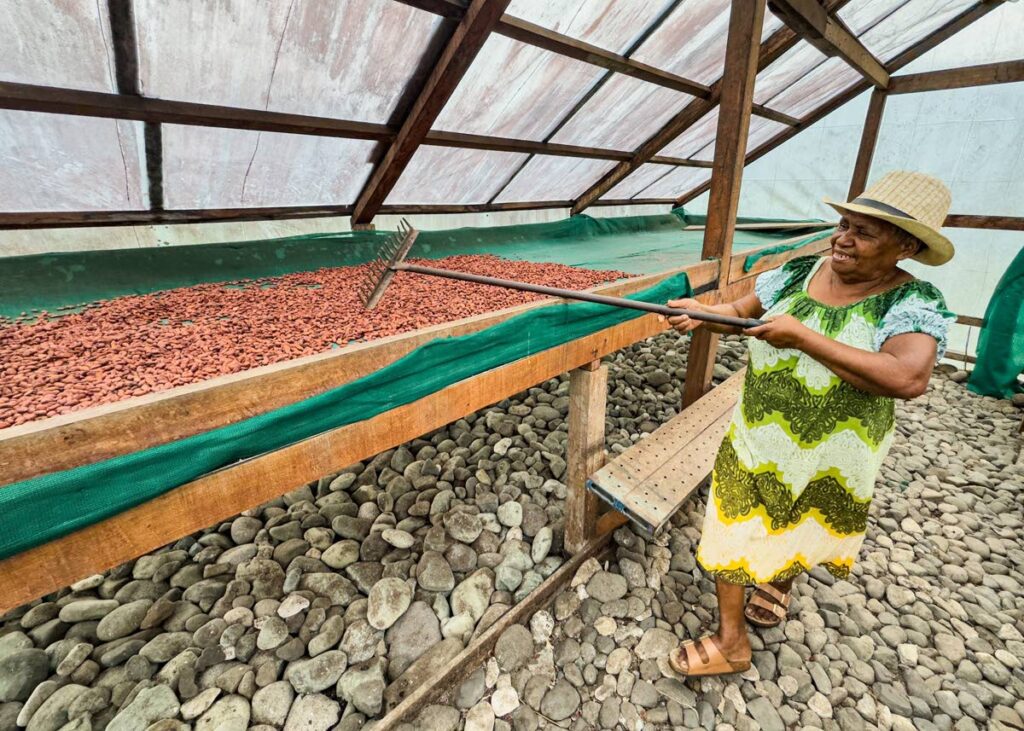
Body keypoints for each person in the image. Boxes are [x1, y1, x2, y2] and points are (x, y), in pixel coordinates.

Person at [663, 171, 957, 676]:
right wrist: (703, 314)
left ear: (905, 246)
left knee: (801, 518)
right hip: (758, 435)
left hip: (835, 454)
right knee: (730, 525)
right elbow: (739, 312)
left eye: (864, 233)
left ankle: (778, 579)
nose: (842, 239)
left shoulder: (913, 302)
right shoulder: (798, 274)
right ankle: (732, 642)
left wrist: (803, 339)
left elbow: (908, 377)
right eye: (843, 224)